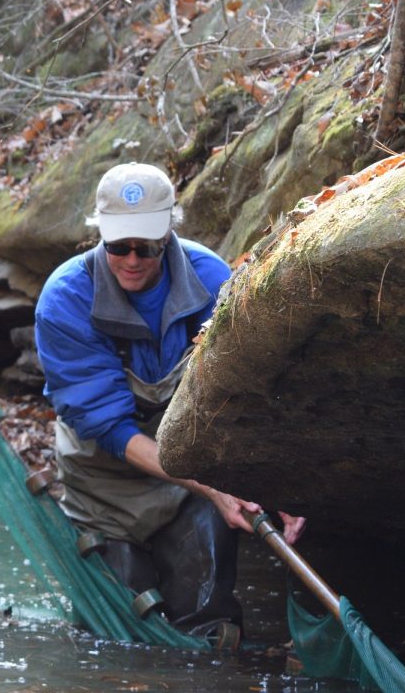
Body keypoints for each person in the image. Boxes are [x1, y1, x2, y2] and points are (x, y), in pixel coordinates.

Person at [34, 162, 305, 646]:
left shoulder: (213, 282)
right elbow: (114, 431)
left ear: (170, 232)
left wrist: (278, 484)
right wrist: (214, 487)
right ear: (99, 236)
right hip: (104, 489)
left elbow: (248, 400)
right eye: (118, 246)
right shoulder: (63, 302)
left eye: (147, 246)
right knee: (119, 639)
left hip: (190, 488)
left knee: (210, 632)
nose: (132, 259)